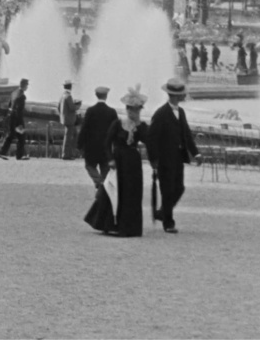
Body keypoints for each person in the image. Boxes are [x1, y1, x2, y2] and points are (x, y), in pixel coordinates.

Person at [84, 85, 150, 237]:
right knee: (113, 191)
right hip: (118, 161)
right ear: (127, 109)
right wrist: (110, 159)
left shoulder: (141, 126)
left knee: (131, 194)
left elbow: (148, 140)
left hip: (133, 163)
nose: (134, 112)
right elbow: (107, 143)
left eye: (137, 110)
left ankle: (129, 227)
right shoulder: (118, 123)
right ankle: (108, 223)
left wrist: (141, 126)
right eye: (132, 109)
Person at [147, 78, 199, 234]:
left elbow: (186, 134)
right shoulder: (161, 113)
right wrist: (153, 159)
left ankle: (162, 212)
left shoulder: (181, 112)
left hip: (178, 158)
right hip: (164, 159)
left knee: (179, 188)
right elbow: (151, 138)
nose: (185, 95)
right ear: (175, 95)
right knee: (167, 190)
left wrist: (196, 153)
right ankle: (168, 223)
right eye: (182, 94)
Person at [76, 86, 118, 189]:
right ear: (106, 96)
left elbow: (84, 128)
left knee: (89, 165)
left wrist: (79, 144)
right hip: (106, 147)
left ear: (96, 95)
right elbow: (116, 131)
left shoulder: (90, 111)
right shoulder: (112, 112)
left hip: (91, 146)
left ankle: (98, 181)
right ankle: (103, 185)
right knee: (105, 169)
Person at [0, 78, 29, 160]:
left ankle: (2, 152)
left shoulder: (14, 93)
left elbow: (10, 105)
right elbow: (19, 110)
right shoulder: (22, 96)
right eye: (27, 85)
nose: (27, 87)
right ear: (24, 85)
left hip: (11, 117)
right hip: (17, 119)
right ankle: (19, 155)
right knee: (21, 137)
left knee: (11, 135)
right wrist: (20, 123)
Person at [58, 80, 81, 160]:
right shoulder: (68, 96)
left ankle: (69, 153)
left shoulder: (62, 95)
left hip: (65, 119)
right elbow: (72, 107)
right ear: (70, 87)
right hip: (70, 120)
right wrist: (78, 106)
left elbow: (58, 107)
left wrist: (63, 115)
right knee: (68, 138)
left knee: (71, 136)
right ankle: (66, 155)